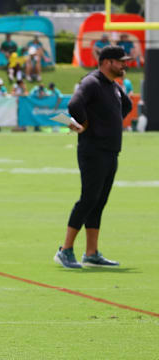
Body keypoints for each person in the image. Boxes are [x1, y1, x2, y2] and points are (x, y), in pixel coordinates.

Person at [55, 45, 132, 269]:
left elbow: (126, 106)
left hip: (110, 150)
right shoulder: (92, 82)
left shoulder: (112, 86)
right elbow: (74, 104)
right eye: (121, 61)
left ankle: (91, 252)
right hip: (93, 150)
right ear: (107, 62)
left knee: (99, 202)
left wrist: (107, 123)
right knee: (88, 198)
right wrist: (85, 125)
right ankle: (65, 250)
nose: (124, 65)